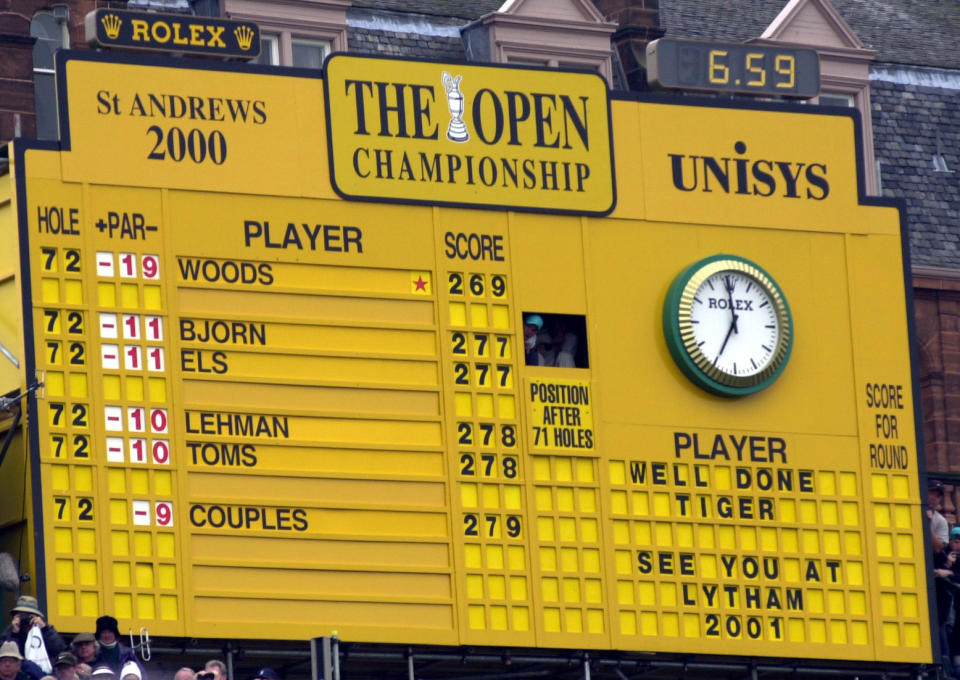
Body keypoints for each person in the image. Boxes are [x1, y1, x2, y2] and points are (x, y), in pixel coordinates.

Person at [2, 597, 66, 662]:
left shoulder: (45, 629)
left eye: (28, 615)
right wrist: (14, 634)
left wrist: (45, 629)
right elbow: (7, 655)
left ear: (36, 616)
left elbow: (59, 651)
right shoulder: (10, 631)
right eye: (21, 616)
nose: (25, 619)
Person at [929, 480, 950, 553]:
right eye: (931, 493)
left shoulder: (941, 520)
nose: (934, 498)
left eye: (937, 496)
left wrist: (927, 524)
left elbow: (938, 548)